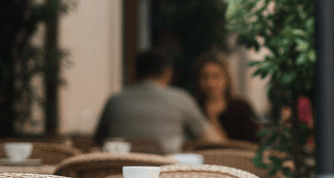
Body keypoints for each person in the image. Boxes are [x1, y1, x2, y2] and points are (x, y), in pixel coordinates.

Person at [94, 49, 223, 153]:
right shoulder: (180, 98)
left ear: (135, 73)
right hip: (166, 175)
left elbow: (98, 141)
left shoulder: (115, 101)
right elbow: (214, 141)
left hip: (119, 174)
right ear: (167, 74)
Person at [192, 54, 261, 143]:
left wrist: (213, 118)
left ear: (226, 79)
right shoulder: (194, 107)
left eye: (216, 76)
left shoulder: (242, 108)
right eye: (205, 77)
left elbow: (254, 144)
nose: (210, 83)